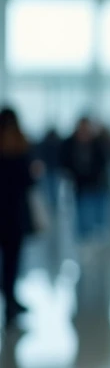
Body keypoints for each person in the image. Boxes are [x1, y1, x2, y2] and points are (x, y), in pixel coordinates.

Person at [0, 109, 37, 324]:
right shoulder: (19, 145)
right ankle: (10, 299)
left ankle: (10, 298)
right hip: (13, 212)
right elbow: (28, 179)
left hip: (9, 211)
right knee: (12, 259)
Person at [60, 116, 110, 243]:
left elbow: (104, 161)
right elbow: (64, 161)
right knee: (82, 212)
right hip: (80, 184)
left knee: (95, 212)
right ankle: (83, 239)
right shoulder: (70, 143)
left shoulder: (97, 143)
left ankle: (94, 238)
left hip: (96, 183)